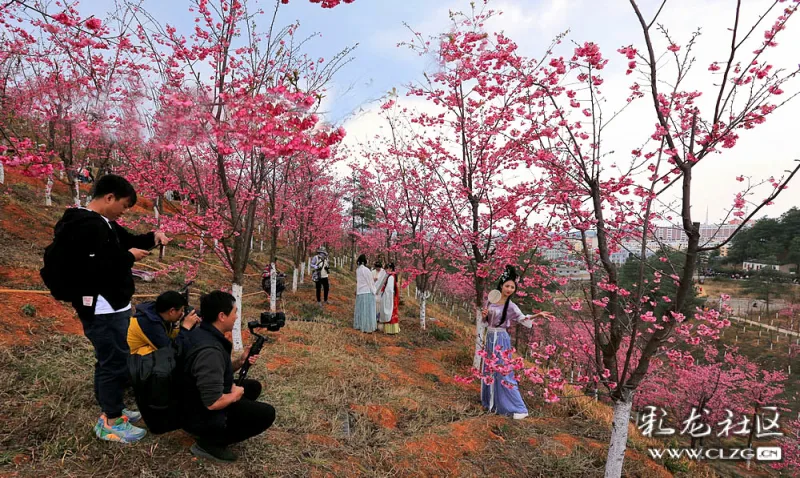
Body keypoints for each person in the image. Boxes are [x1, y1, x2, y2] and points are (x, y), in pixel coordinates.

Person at [48, 174, 170, 443]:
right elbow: (90, 268)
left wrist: (153, 237)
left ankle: (113, 405)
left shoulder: (105, 225)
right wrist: (128, 258)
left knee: (114, 357)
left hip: (114, 305)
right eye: (124, 205)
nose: (124, 211)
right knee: (113, 361)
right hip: (102, 308)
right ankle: (111, 420)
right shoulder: (85, 226)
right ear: (109, 197)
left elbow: (128, 240)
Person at [181, 291, 276, 462]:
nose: (237, 316)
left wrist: (239, 362)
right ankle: (209, 443)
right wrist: (234, 395)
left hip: (190, 397)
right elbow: (212, 403)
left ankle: (221, 424)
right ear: (222, 316)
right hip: (196, 411)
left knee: (253, 387)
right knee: (266, 413)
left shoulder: (202, 333)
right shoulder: (210, 351)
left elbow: (214, 372)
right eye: (235, 312)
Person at [480, 265, 535, 420]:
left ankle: (516, 407)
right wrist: (484, 316)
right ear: (501, 286)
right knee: (489, 371)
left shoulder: (511, 306)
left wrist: (537, 315)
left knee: (504, 371)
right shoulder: (490, 301)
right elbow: (485, 324)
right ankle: (491, 402)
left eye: (512, 287)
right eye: (507, 286)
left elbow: (523, 319)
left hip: (502, 340)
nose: (510, 289)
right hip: (490, 338)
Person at [127, 290, 200, 356]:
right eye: (181, 310)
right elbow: (173, 351)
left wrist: (187, 325)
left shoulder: (156, 314)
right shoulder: (150, 324)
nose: (182, 313)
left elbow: (171, 336)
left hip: (129, 353)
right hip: (125, 361)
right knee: (161, 355)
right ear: (172, 311)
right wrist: (185, 328)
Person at [354, 255, 378, 333]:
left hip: (360, 291)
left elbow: (359, 281)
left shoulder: (358, 270)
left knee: (361, 309)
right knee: (367, 310)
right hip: (367, 291)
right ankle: (367, 327)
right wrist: (374, 290)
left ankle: (360, 325)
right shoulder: (366, 270)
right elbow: (369, 281)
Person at [382, 263, 400, 335]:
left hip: (390, 297)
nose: (386, 270)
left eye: (387, 268)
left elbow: (389, 289)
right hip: (393, 297)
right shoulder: (393, 276)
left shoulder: (391, 277)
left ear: (391, 269)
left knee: (390, 312)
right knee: (393, 312)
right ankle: (393, 329)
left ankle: (390, 330)